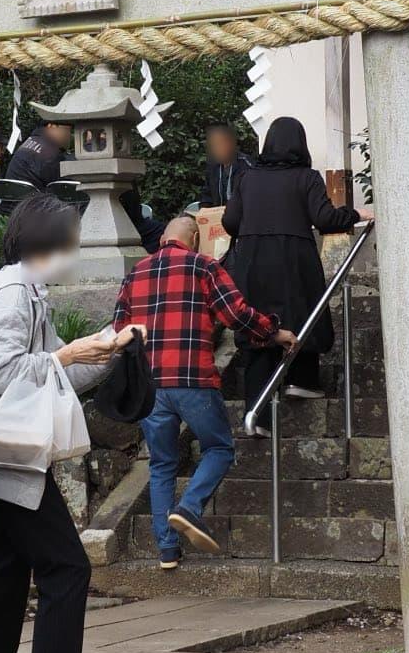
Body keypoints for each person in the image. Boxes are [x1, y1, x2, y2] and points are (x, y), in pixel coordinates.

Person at [0, 193, 127, 653]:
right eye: (72, 243)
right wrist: (66, 357)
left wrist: (106, 351)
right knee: (66, 567)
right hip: (5, 457)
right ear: (49, 245)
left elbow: (57, 373)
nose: (75, 253)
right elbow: (4, 369)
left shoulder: (25, 291)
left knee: (4, 578)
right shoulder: (13, 295)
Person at [114, 217, 293, 568]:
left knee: (162, 464)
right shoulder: (203, 266)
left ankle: (167, 551)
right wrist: (273, 331)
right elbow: (235, 313)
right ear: (194, 238)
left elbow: (121, 329)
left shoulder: (136, 272)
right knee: (220, 448)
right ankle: (189, 507)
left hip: (151, 384)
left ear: (164, 238)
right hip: (192, 378)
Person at [222, 117, 368, 416]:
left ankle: (257, 412)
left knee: (257, 319)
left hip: (252, 258)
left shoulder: (247, 178)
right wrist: (357, 213)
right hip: (294, 255)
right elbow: (325, 219)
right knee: (303, 311)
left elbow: (229, 222)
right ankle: (302, 379)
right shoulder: (306, 177)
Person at [3, 121, 72, 193]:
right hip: (34, 201)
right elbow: (63, 189)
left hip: (12, 199)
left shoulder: (29, 141)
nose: (69, 135)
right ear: (51, 126)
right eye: (67, 130)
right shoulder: (50, 153)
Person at [200, 123, 254, 209]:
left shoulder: (246, 165)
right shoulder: (212, 166)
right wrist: (204, 212)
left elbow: (251, 199)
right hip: (216, 217)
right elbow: (206, 196)